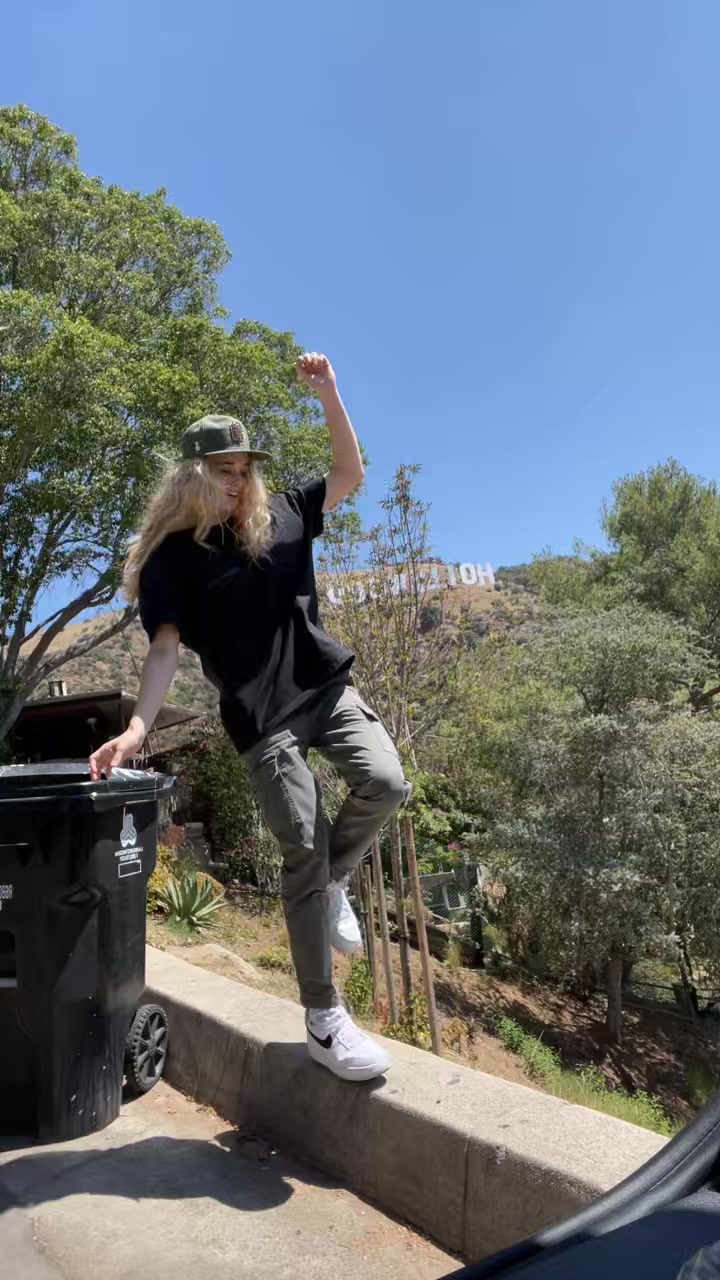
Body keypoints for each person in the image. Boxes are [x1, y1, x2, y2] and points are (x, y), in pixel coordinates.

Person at [89, 353, 410, 1082]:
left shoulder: (286, 516)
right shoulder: (173, 560)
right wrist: (138, 728)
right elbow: (164, 650)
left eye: (244, 469)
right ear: (193, 477)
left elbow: (350, 473)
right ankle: (325, 1019)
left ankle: (335, 883)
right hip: (262, 720)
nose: (238, 481)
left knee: (387, 781)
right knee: (302, 844)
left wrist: (330, 394)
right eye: (224, 470)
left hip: (324, 688)